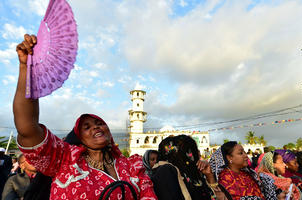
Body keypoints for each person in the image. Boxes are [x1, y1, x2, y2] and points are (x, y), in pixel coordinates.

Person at [13, 34, 157, 199]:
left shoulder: (132, 165)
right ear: (79, 138)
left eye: (99, 123)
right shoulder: (65, 160)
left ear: (109, 132)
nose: (96, 127)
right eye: (86, 127)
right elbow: (26, 128)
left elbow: (148, 196)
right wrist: (26, 68)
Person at [152, 135, 228, 200]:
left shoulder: (190, 173)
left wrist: (210, 176)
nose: (196, 155)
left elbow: (217, 196)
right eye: (190, 150)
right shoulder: (166, 171)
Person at [210, 141, 285, 200]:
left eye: (245, 152)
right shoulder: (225, 177)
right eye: (241, 153)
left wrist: (278, 196)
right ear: (229, 158)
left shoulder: (248, 173)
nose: (246, 155)